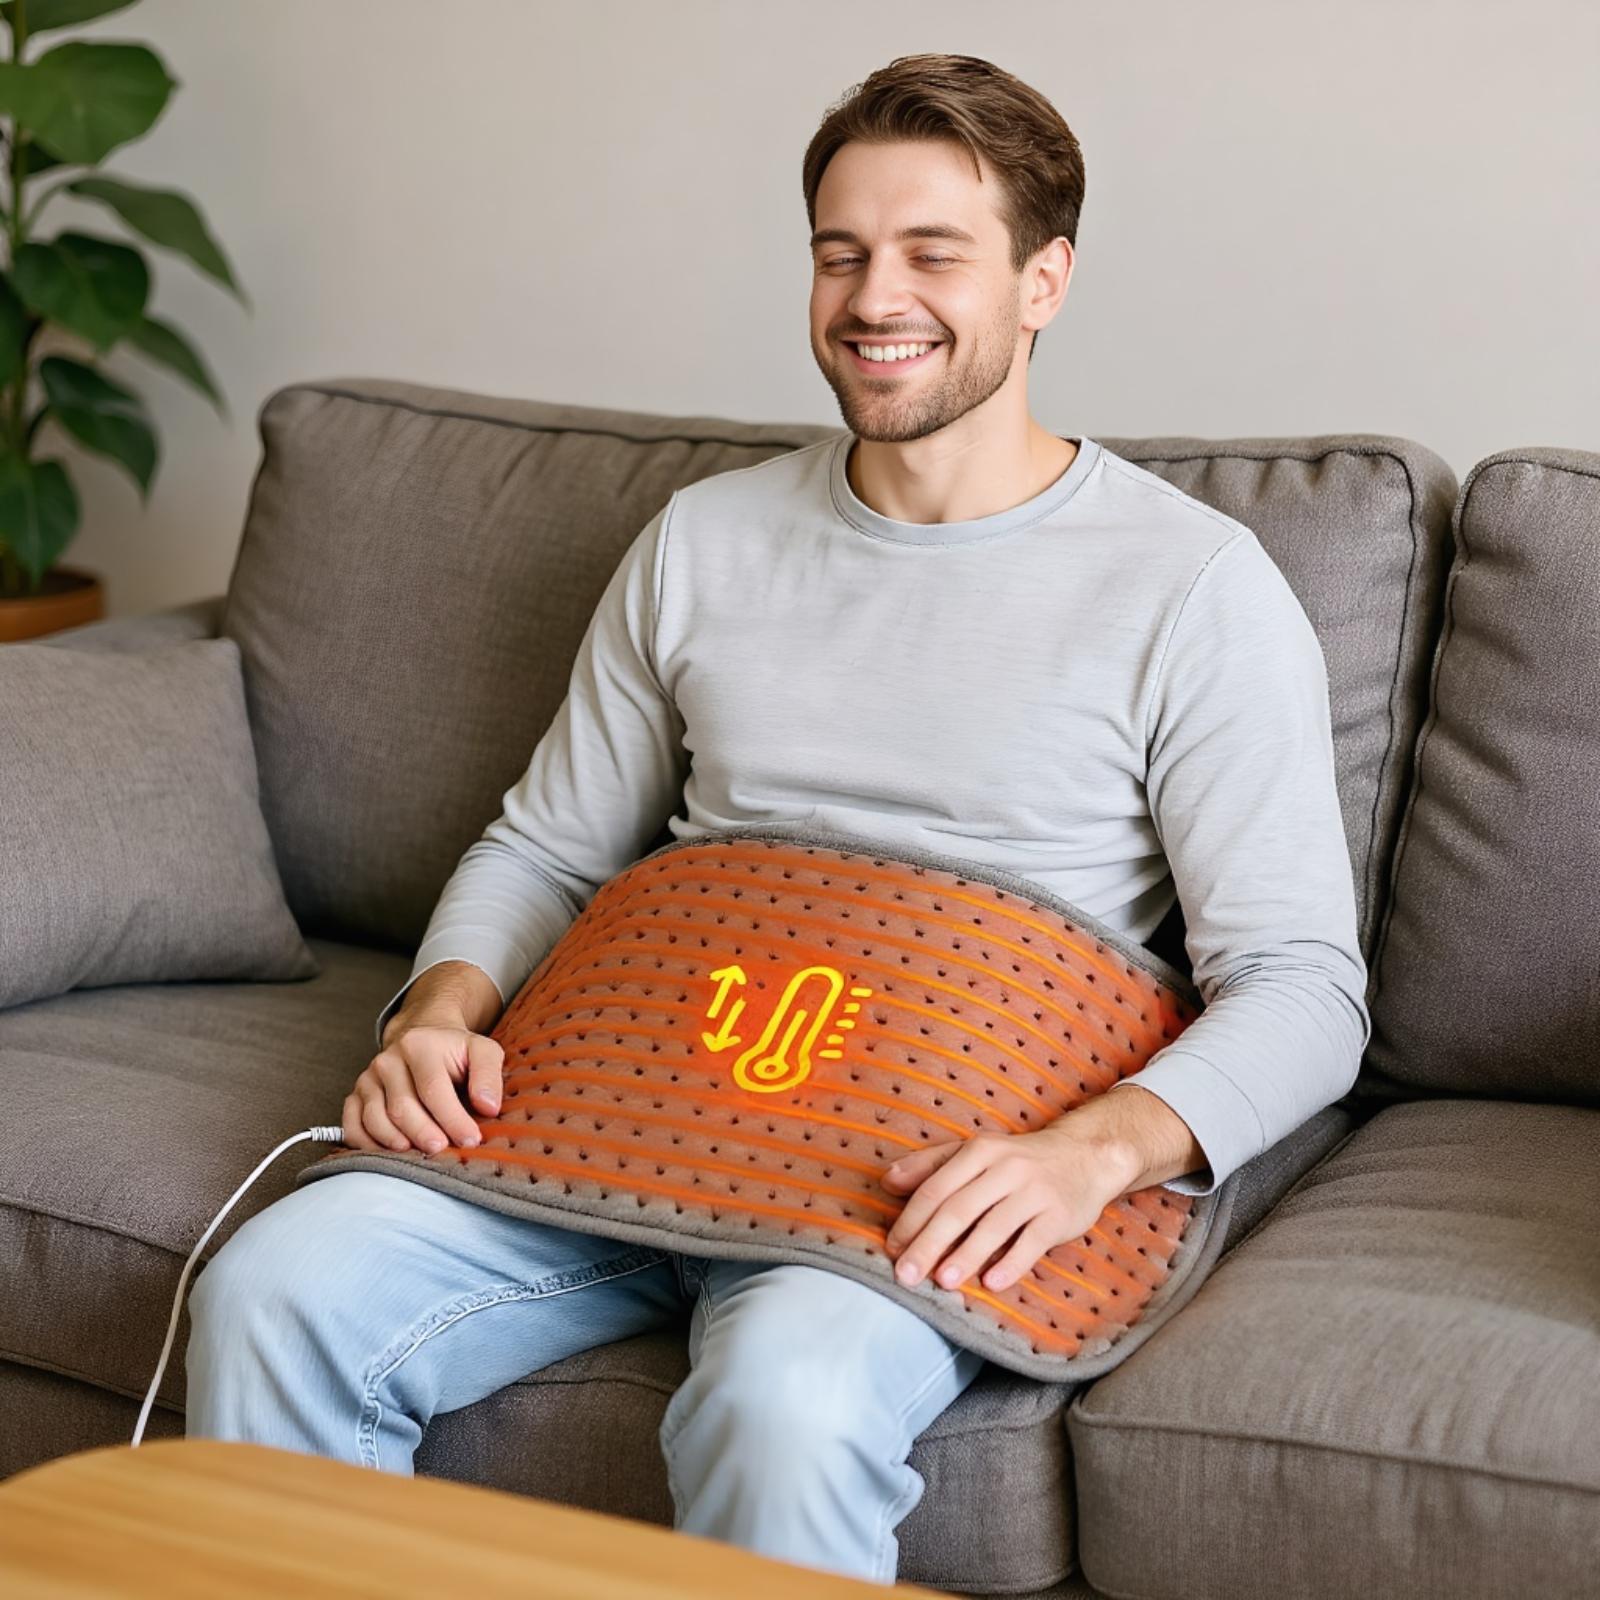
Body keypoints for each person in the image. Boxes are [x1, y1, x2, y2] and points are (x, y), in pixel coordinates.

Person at [185, 52, 1369, 1587]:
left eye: (934, 253)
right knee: (275, 1286)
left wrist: (1090, 1157)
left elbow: (1304, 986)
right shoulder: (703, 541)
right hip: (625, 1106)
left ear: (1044, 281)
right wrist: (438, 1010)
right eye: (840, 253)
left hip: (906, 1172)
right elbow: (546, 848)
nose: (876, 298)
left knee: (788, 1399)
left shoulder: (1192, 589)